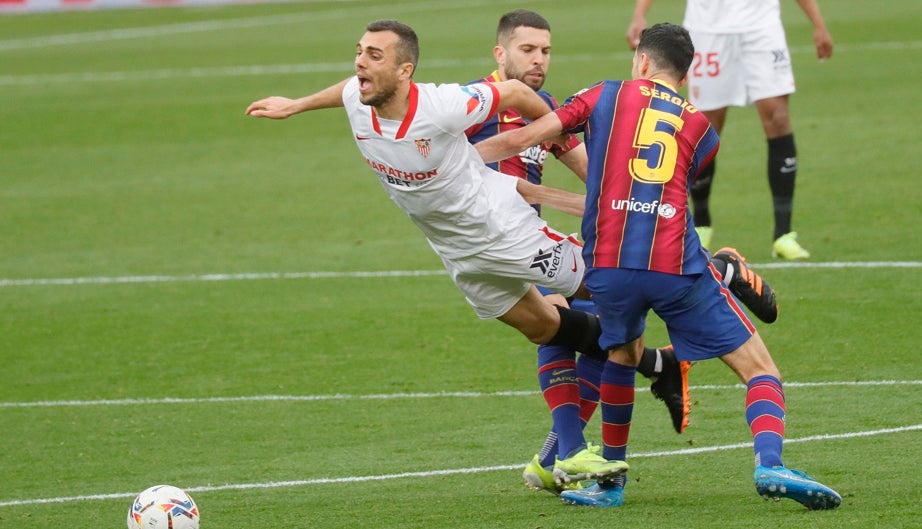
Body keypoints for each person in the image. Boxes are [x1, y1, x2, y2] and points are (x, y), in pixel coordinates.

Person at [246, 19, 634, 483]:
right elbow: (348, 88)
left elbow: (514, 94)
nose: (360, 63)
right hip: (460, 255)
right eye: (360, 51)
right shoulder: (358, 94)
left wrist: (550, 131)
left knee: (623, 278)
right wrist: (295, 106)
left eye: (375, 56)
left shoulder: (443, 105)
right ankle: (586, 434)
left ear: (405, 70)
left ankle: (711, 290)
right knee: (546, 328)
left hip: (505, 232)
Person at [474, 22, 841, 509]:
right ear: (685, 76)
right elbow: (668, 188)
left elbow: (530, 138)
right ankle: (770, 462)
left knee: (617, 355)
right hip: (673, 265)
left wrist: (456, 169)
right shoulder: (703, 129)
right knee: (760, 370)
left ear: (642, 62)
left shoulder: (602, 95)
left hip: (606, 265)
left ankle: (610, 483)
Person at [626, 0, 834, 259]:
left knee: (777, 116)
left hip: (761, 26)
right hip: (708, 28)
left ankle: (784, 234)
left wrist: (818, 24)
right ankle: (701, 225)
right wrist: (639, 14)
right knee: (705, 123)